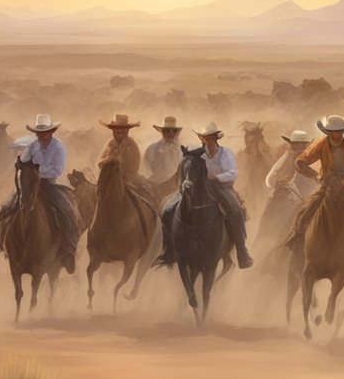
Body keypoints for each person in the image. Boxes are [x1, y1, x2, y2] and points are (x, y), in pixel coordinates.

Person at [156, 122, 253, 269]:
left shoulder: (226, 153)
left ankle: (242, 251)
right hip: (197, 188)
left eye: (210, 139)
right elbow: (185, 168)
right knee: (170, 209)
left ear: (216, 139)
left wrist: (216, 177)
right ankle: (170, 250)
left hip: (222, 188)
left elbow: (233, 173)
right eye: (204, 139)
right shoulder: (197, 153)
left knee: (235, 210)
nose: (207, 142)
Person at [0, 114, 80, 273]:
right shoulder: (32, 146)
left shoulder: (59, 147)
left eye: (46, 132)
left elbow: (57, 169)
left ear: (52, 132)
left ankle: (68, 249)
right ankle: (2, 242)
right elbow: (24, 161)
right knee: (6, 208)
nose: (43, 136)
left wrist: (37, 172)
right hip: (30, 184)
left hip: (49, 184)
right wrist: (22, 166)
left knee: (67, 211)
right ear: (36, 134)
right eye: (40, 133)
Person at [283, 115, 344, 251]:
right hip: (326, 187)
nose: (335, 136)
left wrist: (343, 184)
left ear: (342, 132)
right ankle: (296, 236)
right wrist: (316, 176)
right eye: (332, 132)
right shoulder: (322, 144)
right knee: (304, 214)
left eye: (337, 132)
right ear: (328, 132)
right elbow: (303, 160)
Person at [98, 113, 155, 203]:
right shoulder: (109, 144)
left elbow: (134, 168)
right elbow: (100, 163)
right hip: (109, 180)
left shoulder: (132, 145)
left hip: (128, 180)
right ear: (113, 130)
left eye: (123, 129)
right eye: (117, 129)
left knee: (143, 193)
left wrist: (120, 172)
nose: (120, 131)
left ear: (127, 130)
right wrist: (110, 159)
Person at [265, 130, 319, 202]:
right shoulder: (289, 155)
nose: (293, 145)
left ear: (304, 144)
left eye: (296, 143)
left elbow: (316, 175)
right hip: (289, 190)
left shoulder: (310, 156)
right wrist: (281, 183)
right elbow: (275, 172)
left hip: (308, 189)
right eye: (292, 143)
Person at [143, 115, 183, 186]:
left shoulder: (181, 149)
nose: (171, 134)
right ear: (162, 132)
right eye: (167, 131)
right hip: (158, 184)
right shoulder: (152, 149)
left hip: (176, 183)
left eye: (174, 131)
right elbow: (148, 170)